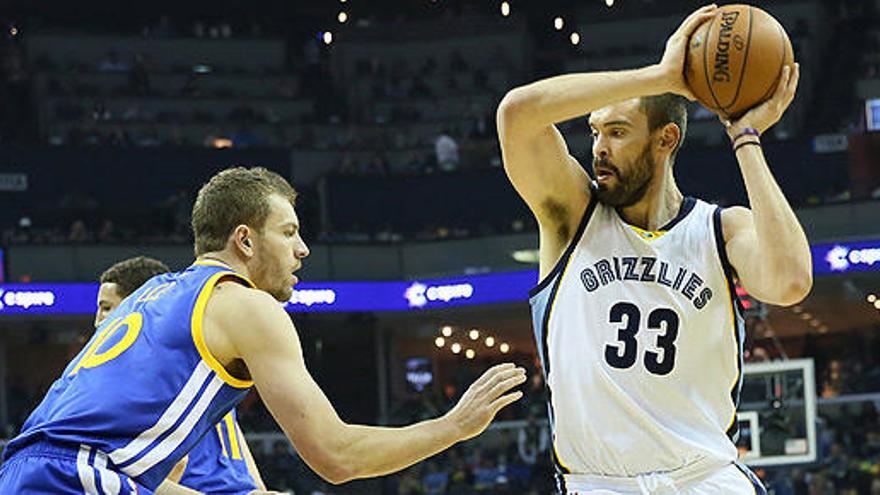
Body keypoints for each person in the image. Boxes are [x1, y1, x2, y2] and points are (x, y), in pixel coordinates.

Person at [0, 167, 526, 494]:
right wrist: (454, 427)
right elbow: (336, 457)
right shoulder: (245, 306)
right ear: (245, 241)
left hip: (31, 471)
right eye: (290, 232)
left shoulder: (152, 296)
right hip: (73, 477)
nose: (303, 249)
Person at [497, 4, 811, 494]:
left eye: (617, 132)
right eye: (595, 132)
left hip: (705, 480)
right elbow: (517, 114)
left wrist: (745, 138)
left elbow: (790, 281)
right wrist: (660, 75)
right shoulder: (571, 218)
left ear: (667, 139)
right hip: (599, 485)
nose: (598, 147)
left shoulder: (721, 230)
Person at [95, 256, 275, 494]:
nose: (98, 321)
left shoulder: (136, 380)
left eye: (107, 307)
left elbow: (141, 479)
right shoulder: (205, 360)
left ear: (139, 303)